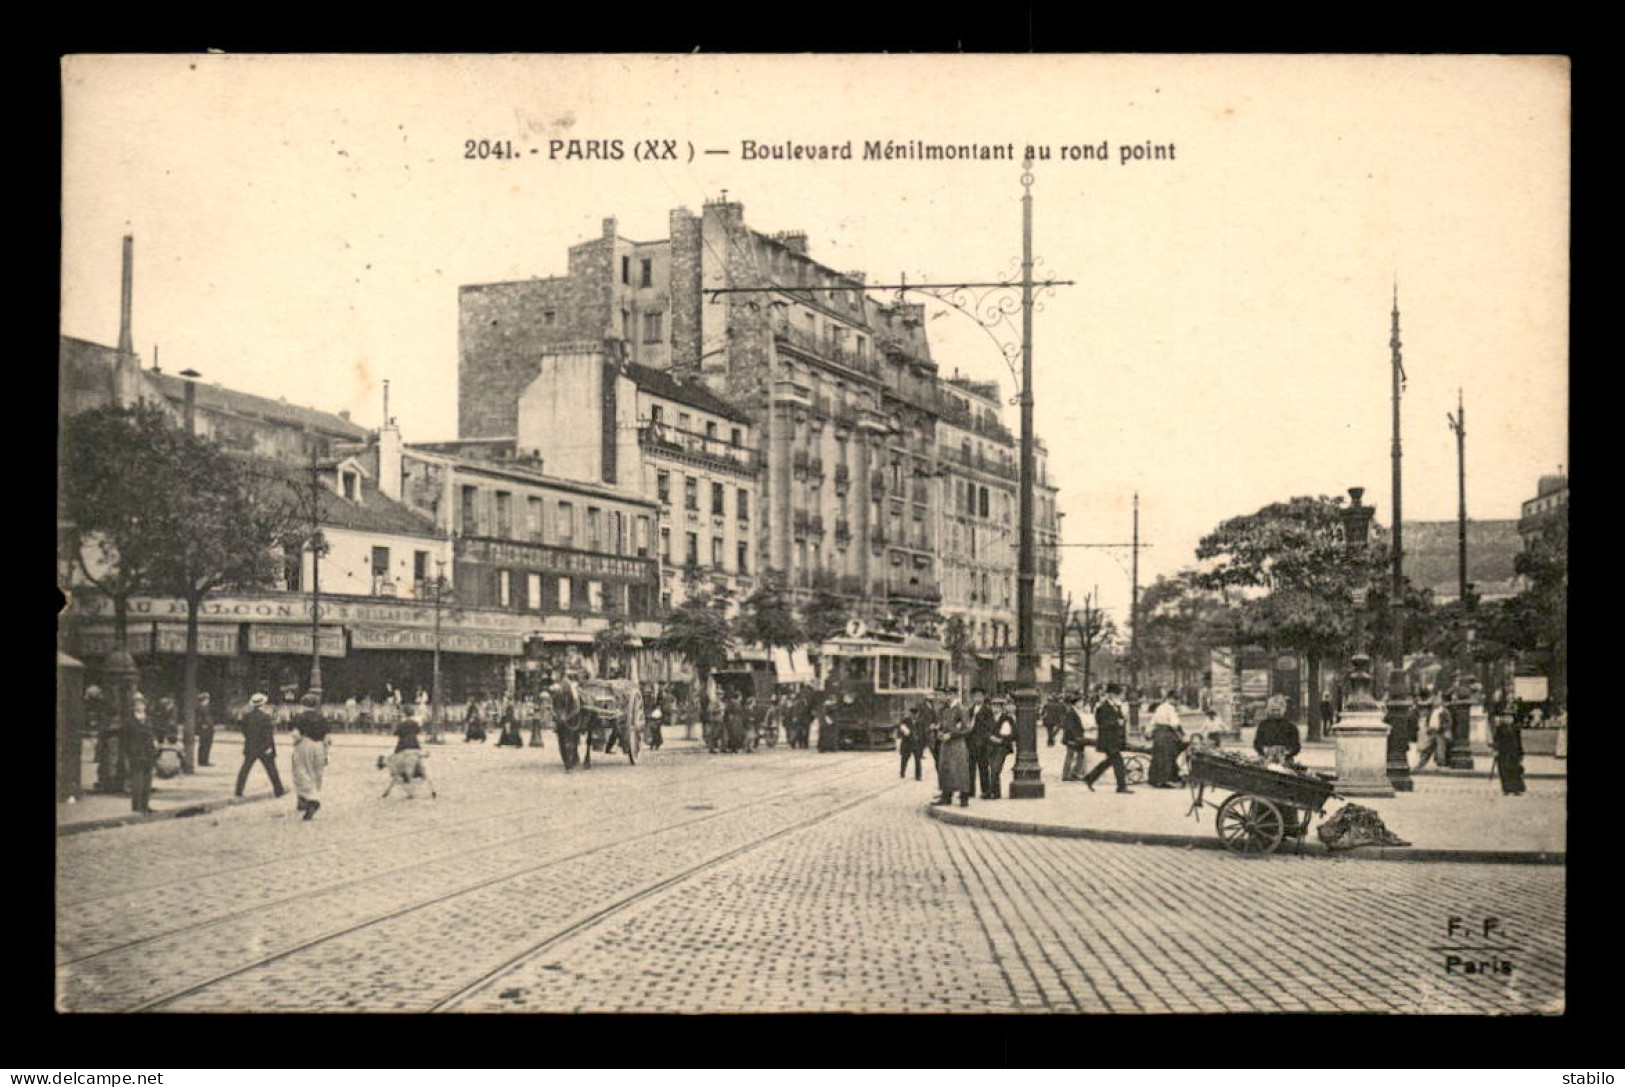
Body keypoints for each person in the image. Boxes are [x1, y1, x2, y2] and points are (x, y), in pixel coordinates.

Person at [235, 692, 288, 798]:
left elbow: (244, 731)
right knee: (272, 770)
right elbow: (268, 734)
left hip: (251, 746)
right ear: (262, 704)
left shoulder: (247, 716)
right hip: (263, 747)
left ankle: (238, 790)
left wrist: (250, 739)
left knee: (245, 769)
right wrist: (269, 747)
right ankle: (279, 790)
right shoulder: (265, 717)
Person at [1082, 684, 1133, 793]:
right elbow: (1101, 723)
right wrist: (1116, 723)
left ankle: (1090, 778)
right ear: (1111, 695)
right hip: (1108, 740)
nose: (1119, 697)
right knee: (1118, 762)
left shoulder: (1116, 706)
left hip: (1114, 740)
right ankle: (1121, 786)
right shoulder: (1103, 707)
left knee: (1110, 761)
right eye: (1118, 695)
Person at [290, 693, 331, 820]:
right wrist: (326, 752)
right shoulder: (322, 718)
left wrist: (296, 743)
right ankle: (305, 800)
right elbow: (327, 738)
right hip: (319, 745)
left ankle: (311, 799)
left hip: (304, 744)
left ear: (303, 704)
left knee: (301, 771)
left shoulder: (299, 717)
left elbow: (296, 734)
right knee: (316, 773)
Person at [931, 694, 975, 807]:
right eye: (944, 695)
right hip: (945, 744)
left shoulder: (962, 710)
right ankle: (946, 796)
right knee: (944, 768)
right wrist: (939, 732)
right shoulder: (944, 710)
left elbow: (967, 728)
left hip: (957, 743)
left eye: (948, 695)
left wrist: (952, 735)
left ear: (954, 696)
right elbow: (941, 725)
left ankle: (964, 797)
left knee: (960, 769)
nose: (945, 697)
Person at [86, 685, 124, 794]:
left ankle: (110, 780)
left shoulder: (106, 703)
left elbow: (112, 713)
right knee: (106, 756)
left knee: (110, 757)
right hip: (109, 732)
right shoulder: (106, 702)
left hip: (111, 732)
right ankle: (107, 779)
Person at [125, 693, 157, 814]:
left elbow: (151, 734)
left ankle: (145, 805)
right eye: (137, 704)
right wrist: (128, 754)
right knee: (137, 781)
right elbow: (125, 739)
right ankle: (136, 806)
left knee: (147, 781)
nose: (140, 706)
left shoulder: (148, 719)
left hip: (149, 752)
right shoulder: (129, 721)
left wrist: (154, 745)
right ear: (133, 706)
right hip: (136, 753)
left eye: (142, 704)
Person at [964, 687, 999, 799]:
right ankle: (970, 790)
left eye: (980, 696)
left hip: (983, 744)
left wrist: (984, 738)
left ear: (984, 698)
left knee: (983, 767)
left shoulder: (987, 711)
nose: (977, 698)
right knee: (970, 767)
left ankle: (985, 790)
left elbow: (991, 727)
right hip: (971, 742)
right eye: (975, 696)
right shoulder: (970, 710)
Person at [1147, 689, 1185, 788]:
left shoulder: (1160, 707)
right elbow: (1174, 724)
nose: (1177, 702)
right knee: (1169, 756)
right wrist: (1181, 734)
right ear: (1171, 699)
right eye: (1176, 700)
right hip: (1167, 735)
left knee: (1158, 757)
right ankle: (1167, 779)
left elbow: (1152, 722)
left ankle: (1155, 779)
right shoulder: (1170, 709)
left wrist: (1149, 733)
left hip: (1158, 735)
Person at [1252, 694, 1301, 766]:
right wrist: (1264, 750)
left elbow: (1296, 746)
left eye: (1278, 710)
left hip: (1285, 760)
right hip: (1266, 759)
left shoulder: (1291, 727)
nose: (1275, 713)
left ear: (1283, 710)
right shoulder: (1263, 725)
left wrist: (1287, 752)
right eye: (1273, 710)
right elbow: (1257, 743)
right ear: (1269, 710)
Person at [551, 672, 584, 771]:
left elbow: (575, 706)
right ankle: (568, 761)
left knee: (570, 740)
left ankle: (569, 761)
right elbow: (554, 705)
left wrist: (568, 716)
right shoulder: (558, 691)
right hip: (563, 716)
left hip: (570, 717)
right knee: (564, 740)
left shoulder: (571, 689)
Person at [984, 699, 1016, 798]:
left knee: (995, 768)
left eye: (997, 706)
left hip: (1002, 747)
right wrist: (990, 737)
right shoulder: (988, 719)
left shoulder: (1007, 719)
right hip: (990, 746)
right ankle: (996, 793)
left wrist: (1002, 740)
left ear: (1002, 707)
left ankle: (990, 791)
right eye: (993, 706)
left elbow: (1013, 734)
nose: (995, 709)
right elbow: (983, 731)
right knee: (993, 769)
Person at [1413, 692, 1450, 770]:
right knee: (1426, 749)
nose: (1435, 702)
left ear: (1441, 702)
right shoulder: (1432, 711)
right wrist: (1427, 727)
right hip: (1431, 731)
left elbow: (1448, 722)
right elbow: (1428, 720)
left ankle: (1441, 764)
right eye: (1434, 700)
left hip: (1440, 732)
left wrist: (1442, 728)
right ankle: (1421, 764)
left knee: (1440, 748)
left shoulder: (1444, 711)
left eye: (1437, 700)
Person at [1492, 711, 1526, 796]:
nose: (1508, 719)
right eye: (1506, 717)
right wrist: (1496, 750)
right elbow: (1496, 740)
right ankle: (1506, 788)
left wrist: (1521, 752)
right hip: (1503, 752)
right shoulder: (1499, 728)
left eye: (1510, 717)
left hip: (1514, 751)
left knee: (1515, 770)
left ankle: (1516, 789)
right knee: (1504, 770)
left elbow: (1519, 741)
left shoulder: (1515, 728)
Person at [1060, 691, 1090, 782]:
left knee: (1079, 755)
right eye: (1080, 702)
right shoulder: (1071, 712)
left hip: (1076, 737)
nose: (1082, 704)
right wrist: (1075, 737)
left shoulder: (1075, 712)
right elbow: (1069, 727)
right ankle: (1067, 774)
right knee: (1071, 755)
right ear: (1076, 703)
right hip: (1073, 738)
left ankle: (1074, 773)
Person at [898, 701, 929, 781]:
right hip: (907, 743)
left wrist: (924, 744)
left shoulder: (921, 722)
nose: (914, 715)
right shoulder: (905, 721)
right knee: (904, 759)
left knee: (918, 760)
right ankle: (902, 772)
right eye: (912, 713)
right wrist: (904, 733)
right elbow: (900, 730)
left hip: (917, 743)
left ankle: (918, 776)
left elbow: (924, 733)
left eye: (915, 714)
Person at [195, 691, 217, 767]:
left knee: (206, 745)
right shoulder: (201, 708)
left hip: (207, 728)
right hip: (205, 728)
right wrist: (203, 725)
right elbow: (199, 719)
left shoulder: (204, 707)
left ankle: (204, 759)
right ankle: (203, 760)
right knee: (205, 744)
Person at [646, 685, 666, 751]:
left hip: (657, 712)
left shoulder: (660, 692)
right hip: (651, 712)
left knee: (656, 728)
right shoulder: (650, 693)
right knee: (653, 728)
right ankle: (655, 743)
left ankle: (656, 743)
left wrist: (658, 706)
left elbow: (661, 701)